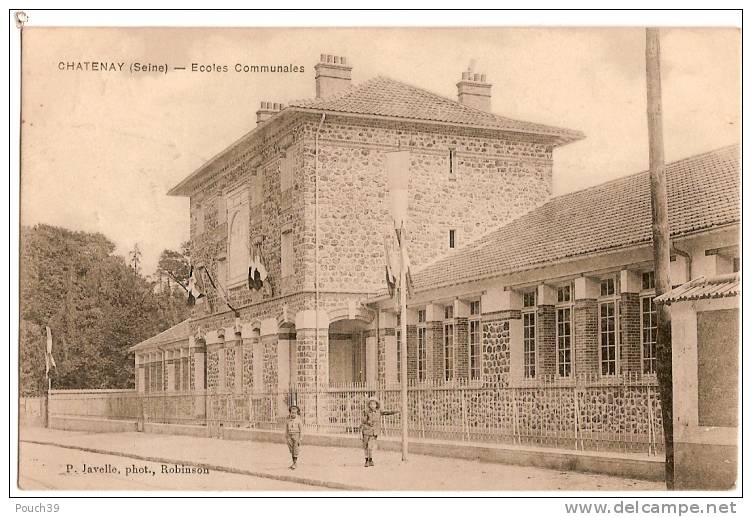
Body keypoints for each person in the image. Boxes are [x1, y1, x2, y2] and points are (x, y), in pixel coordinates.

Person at [360, 396, 399, 467]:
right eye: (371, 404)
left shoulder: (379, 411)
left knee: (370, 446)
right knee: (365, 446)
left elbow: (387, 412)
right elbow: (362, 421)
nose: (372, 405)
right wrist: (367, 420)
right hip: (366, 431)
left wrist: (396, 411)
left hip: (374, 432)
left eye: (374, 404)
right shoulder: (366, 412)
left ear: (376, 405)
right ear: (369, 405)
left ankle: (370, 459)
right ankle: (367, 460)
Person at [285, 405, 303, 469]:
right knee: (292, 450)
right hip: (290, 435)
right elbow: (286, 428)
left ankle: (295, 463)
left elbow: (301, 430)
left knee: (295, 450)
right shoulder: (288, 419)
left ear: (297, 413)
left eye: (295, 413)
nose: (293, 414)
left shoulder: (298, 420)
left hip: (296, 435)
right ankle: (294, 463)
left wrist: (300, 438)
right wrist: (286, 437)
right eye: (292, 412)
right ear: (290, 412)